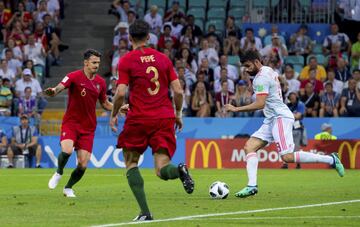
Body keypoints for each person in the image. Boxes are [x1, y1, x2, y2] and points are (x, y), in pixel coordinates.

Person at [224, 50, 345, 198]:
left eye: (248, 65)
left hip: (280, 117)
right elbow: (278, 80)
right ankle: (252, 186)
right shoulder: (267, 70)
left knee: (287, 157)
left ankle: (331, 159)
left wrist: (236, 108)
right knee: (250, 146)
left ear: (256, 62)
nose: (246, 69)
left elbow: (260, 104)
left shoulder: (261, 78)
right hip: (271, 118)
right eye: (244, 67)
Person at [109, 20, 194, 221]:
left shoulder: (126, 60)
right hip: (164, 118)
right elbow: (179, 90)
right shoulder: (163, 59)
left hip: (138, 118)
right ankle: (180, 171)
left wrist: (113, 114)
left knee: (131, 163)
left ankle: (145, 213)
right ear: (149, 37)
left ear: (130, 39)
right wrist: (178, 114)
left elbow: (121, 92)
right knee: (162, 168)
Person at [44, 49, 113, 197]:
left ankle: (68, 187)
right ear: (86, 63)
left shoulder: (100, 82)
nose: (96, 65)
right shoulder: (73, 76)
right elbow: (59, 87)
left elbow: (105, 103)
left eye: (98, 63)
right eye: (94, 62)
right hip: (72, 123)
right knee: (67, 150)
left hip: (88, 127)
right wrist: (53, 91)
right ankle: (59, 172)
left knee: (82, 165)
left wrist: (119, 108)